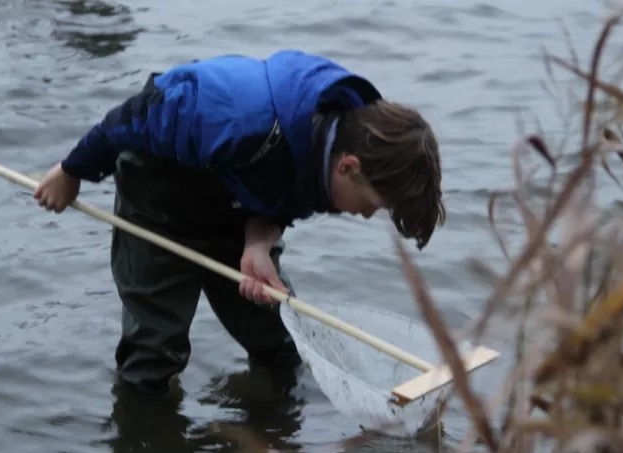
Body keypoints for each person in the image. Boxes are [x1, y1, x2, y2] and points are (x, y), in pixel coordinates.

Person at [32, 49, 446, 394]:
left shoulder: (339, 151)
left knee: (279, 344)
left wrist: (258, 245)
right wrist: (73, 170)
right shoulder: (241, 118)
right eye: (373, 204)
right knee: (154, 352)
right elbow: (134, 117)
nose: (366, 214)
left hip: (236, 202)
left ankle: (268, 445)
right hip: (161, 194)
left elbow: (283, 204)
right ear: (349, 168)